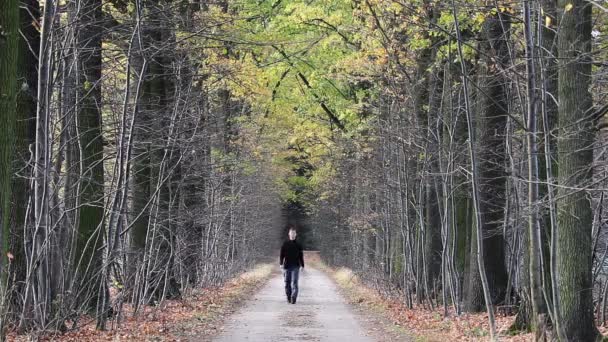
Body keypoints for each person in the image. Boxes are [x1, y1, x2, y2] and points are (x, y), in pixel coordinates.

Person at [279, 227, 304, 304]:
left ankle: (294, 297)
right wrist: (281, 264)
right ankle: (288, 297)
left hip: (296, 266)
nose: (292, 234)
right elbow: (281, 255)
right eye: (291, 233)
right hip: (287, 266)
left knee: (295, 282)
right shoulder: (285, 244)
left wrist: (302, 265)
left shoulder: (298, 245)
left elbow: (301, 256)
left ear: (296, 234)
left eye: (294, 233)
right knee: (287, 282)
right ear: (289, 234)